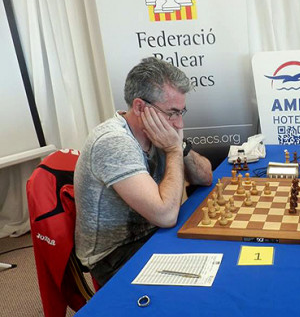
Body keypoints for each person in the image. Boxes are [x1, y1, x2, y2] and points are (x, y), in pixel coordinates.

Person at [74, 57, 213, 287]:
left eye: (182, 111)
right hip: (115, 255)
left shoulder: (158, 131)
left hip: (152, 233)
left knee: (220, 252)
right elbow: (166, 216)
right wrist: (173, 150)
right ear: (140, 107)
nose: (179, 123)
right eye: (172, 112)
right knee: (204, 281)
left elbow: (205, 177)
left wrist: (180, 147)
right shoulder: (113, 142)